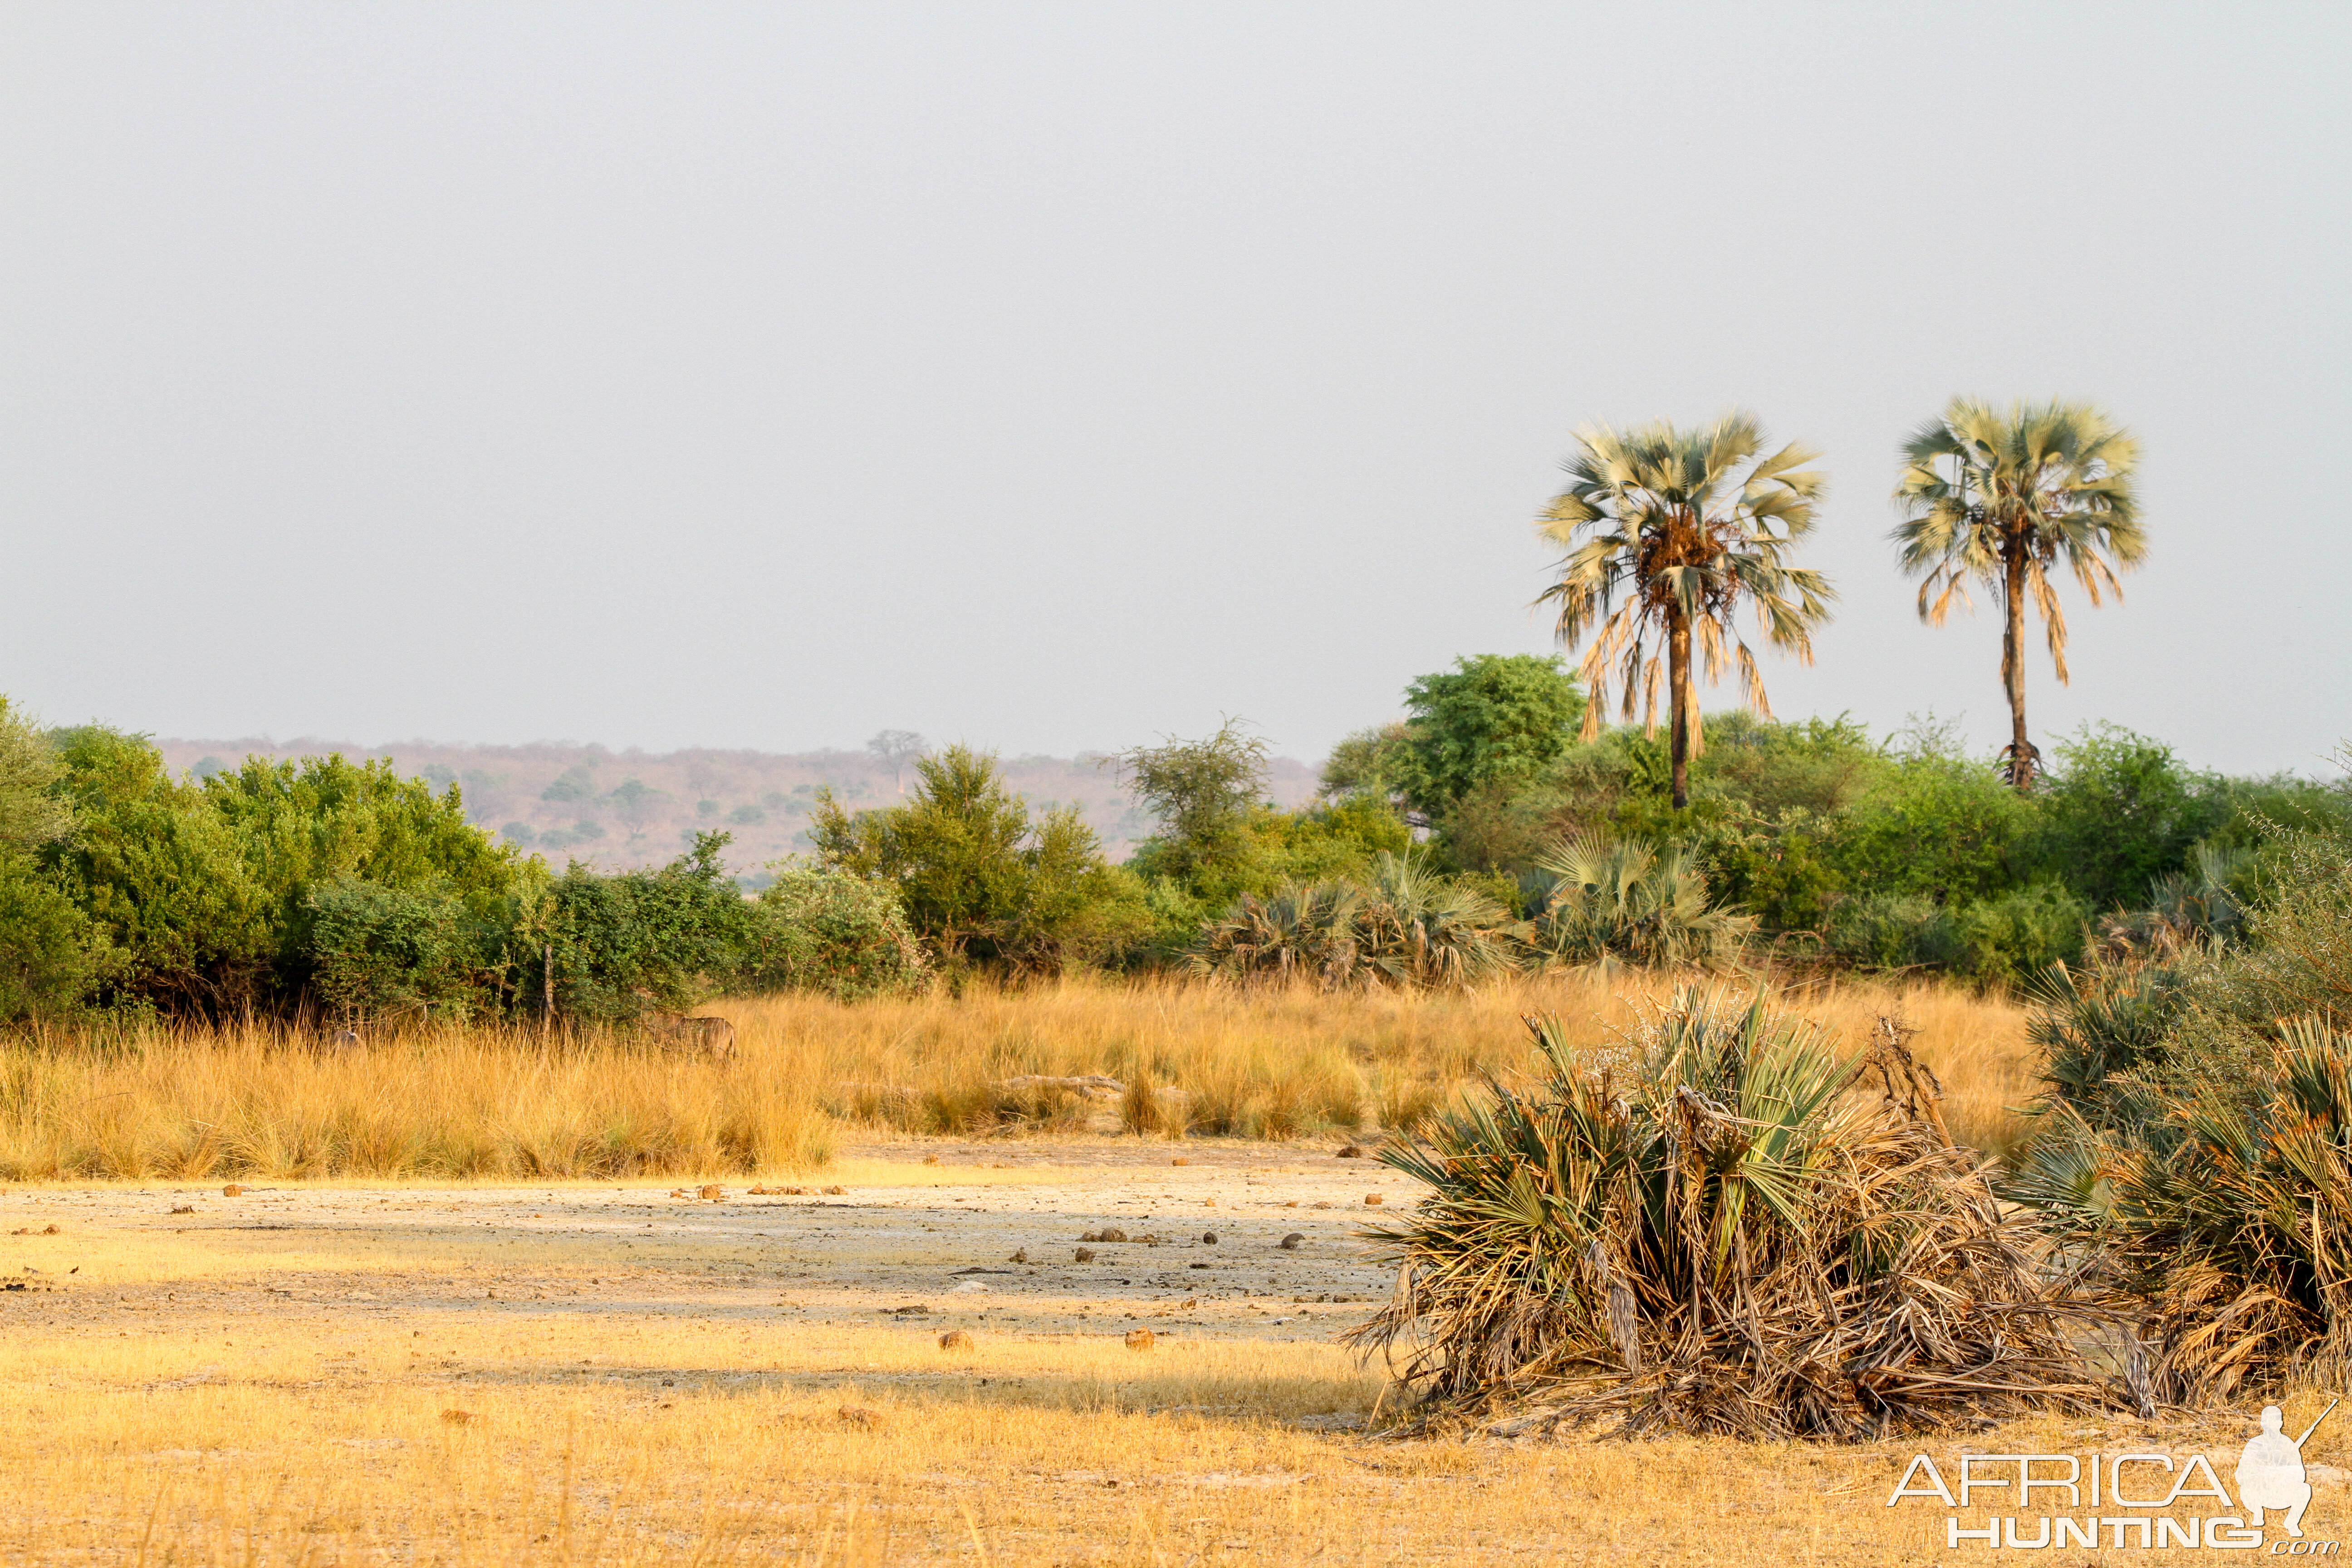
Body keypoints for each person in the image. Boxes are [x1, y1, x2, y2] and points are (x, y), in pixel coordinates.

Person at [2236, 1405, 2313, 1539]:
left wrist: (2283, 1474)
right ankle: (2258, 1513)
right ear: (2262, 1423)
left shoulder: (2288, 1444)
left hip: (2281, 1494)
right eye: (2267, 1421)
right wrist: (2262, 1475)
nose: (2271, 1425)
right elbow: (2241, 1475)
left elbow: (2301, 1475)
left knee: (2305, 1489)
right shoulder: (2254, 1444)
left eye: (2275, 1421)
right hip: (2259, 1494)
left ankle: (2292, 1523)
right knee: (2247, 1488)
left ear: (2281, 1423)